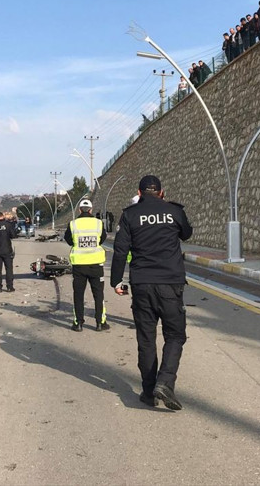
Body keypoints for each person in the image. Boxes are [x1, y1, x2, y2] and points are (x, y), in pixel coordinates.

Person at [111, 175, 193, 411]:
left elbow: (119, 250)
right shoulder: (174, 211)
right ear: (161, 192)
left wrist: (116, 280)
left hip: (141, 284)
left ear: (139, 192)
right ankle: (165, 382)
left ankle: (149, 392)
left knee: (146, 338)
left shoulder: (130, 215)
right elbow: (186, 234)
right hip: (170, 284)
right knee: (175, 335)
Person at [64, 199, 108, 332]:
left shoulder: (73, 224)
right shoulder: (98, 223)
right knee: (98, 295)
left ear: (79, 210)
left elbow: (68, 240)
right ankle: (100, 323)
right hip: (96, 265)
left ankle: (78, 324)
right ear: (90, 210)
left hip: (79, 266)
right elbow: (102, 238)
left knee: (78, 295)